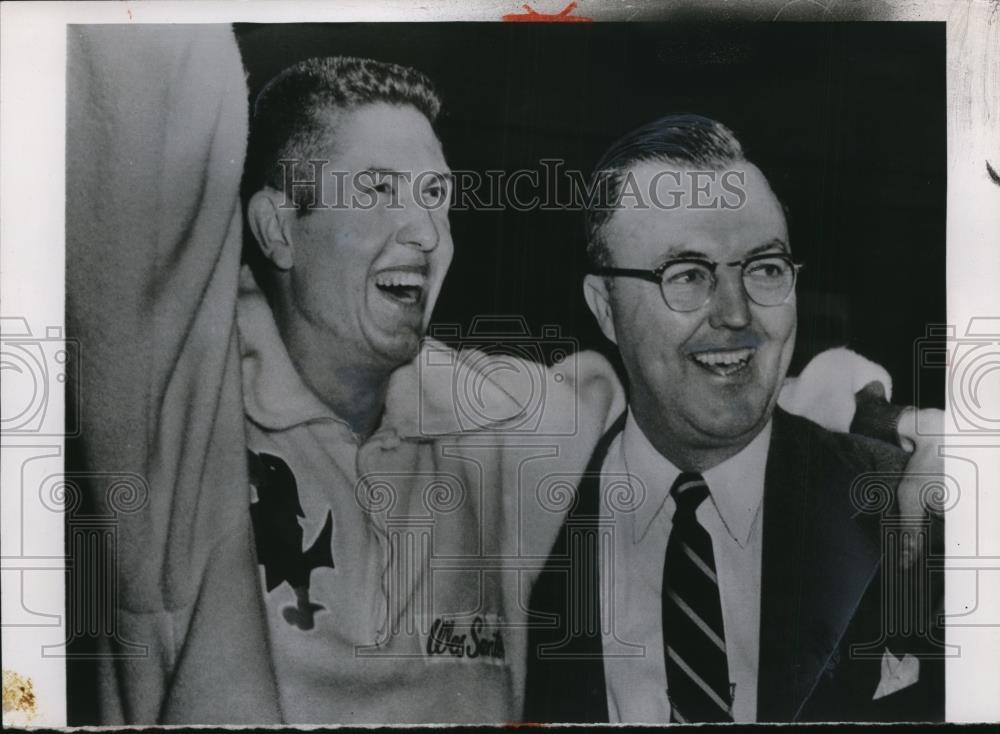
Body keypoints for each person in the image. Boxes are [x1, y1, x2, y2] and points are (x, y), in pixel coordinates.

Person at [66, 38, 942, 723]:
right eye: (378, 189)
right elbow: (140, 90)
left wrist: (867, 417)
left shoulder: (499, 427)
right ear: (277, 227)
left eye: (439, 196)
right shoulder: (178, 406)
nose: (425, 231)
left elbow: (690, 405)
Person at [523, 114, 944, 723]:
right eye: (687, 275)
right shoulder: (523, 521)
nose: (736, 314)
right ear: (604, 308)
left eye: (766, 268)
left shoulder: (906, 504)